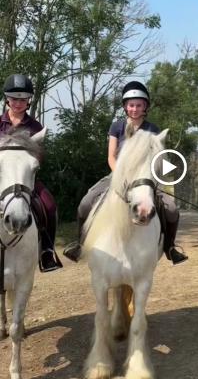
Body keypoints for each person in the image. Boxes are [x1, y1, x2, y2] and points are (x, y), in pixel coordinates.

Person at [63, 81, 188, 265]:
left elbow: (157, 160)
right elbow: (111, 157)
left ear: (145, 106)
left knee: (171, 209)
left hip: (145, 179)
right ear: (125, 107)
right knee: (85, 203)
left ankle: (170, 247)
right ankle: (79, 244)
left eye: (139, 105)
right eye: (131, 105)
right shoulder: (117, 127)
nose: (135, 109)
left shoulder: (153, 130)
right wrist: (121, 176)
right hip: (117, 176)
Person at [0, 74, 62, 271]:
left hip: (27, 180)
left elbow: (39, 158)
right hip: (2, 178)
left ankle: (46, 251)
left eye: (23, 99)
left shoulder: (35, 127)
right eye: (14, 98)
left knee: (50, 206)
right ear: (6, 99)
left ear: (28, 101)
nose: (18, 103)